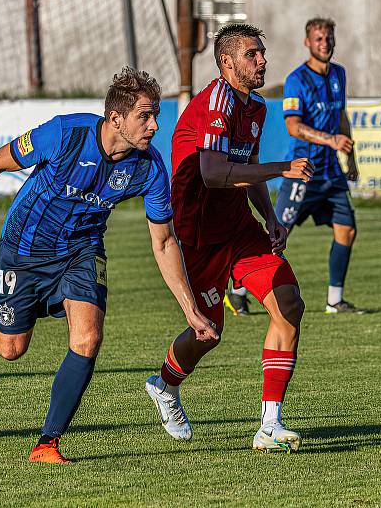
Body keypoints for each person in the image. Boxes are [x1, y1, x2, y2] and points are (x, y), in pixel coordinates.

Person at [0, 68, 217, 465]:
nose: (155, 125)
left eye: (156, 114)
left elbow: (164, 240)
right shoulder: (65, 134)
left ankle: (47, 443)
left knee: (88, 339)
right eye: (145, 116)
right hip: (24, 249)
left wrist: (190, 309)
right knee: (11, 348)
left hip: (82, 252)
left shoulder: (149, 168)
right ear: (116, 118)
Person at [144, 24, 313, 453]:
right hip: (197, 238)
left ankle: (270, 424)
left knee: (289, 303)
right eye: (252, 54)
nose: (262, 61)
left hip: (239, 231)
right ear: (227, 63)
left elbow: (246, 165)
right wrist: (282, 168)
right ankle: (164, 384)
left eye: (262, 53)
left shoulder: (255, 108)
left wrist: (270, 216)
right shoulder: (216, 103)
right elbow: (215, 174)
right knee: (208, 334)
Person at [270, 17, 365, 314]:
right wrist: (331, 140)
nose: (325, 44)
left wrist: (349, 157)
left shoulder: (339, 74)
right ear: (307, 43)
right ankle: (238, 289)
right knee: (276, 236)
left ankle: (334, 300)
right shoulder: (296, 79)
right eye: (319, 39)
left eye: (329, 38)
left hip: (331, 173)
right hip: (303, 171)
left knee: (347, 230)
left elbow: (341, 117)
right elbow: (293, 126)